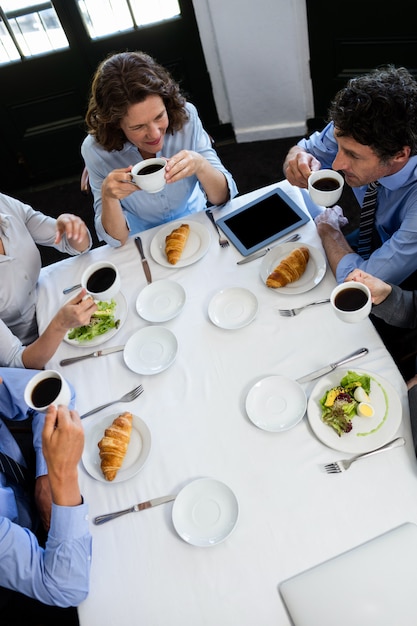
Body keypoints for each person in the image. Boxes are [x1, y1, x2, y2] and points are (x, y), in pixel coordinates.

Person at [81, 50, 238, 246]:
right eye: (138, 127)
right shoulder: (95, 150)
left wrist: (200, 165)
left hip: (198, 223)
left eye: (159, 117)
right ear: (115, 125)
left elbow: (223, 197)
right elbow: (116, 239)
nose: (155, 134)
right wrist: (108, 196)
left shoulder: (186, 116)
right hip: (142, 240)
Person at [283, 65, 417, 287]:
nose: (336, 164)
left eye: (353, 156)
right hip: (374, 234)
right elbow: (303, 149)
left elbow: (361, 284)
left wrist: (330, 231)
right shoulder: (352, 129)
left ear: (399, 155)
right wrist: (296, 161)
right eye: (339, 145)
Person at [0, 367, 91, 624]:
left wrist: (44, 477)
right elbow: (65, 588)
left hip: (30, 493)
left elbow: (59, 390)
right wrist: (62, 476)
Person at [0, 192, 97, 369]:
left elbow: (74, 245)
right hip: (37, 348)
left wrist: (74, 229)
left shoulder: (3, 203)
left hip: (56, 305)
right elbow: (17, 362)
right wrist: (60, 325)